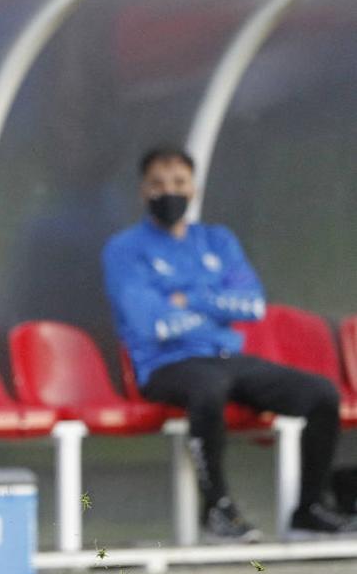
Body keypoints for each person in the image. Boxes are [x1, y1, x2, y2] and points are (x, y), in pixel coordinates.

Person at [102, 145, 351, 541]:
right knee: (208, 386)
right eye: (159, 184)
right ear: (143, 192)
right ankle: (217, 508)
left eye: (179, 182)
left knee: (320, 393)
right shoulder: (124, 249)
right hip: (165, 366)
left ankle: (309, 509)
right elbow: (151, 323)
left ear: (194, 188)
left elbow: (252, 304)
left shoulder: (217, 241)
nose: (170, 192)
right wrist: (214, 308)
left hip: (226, 355)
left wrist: (190, 301)